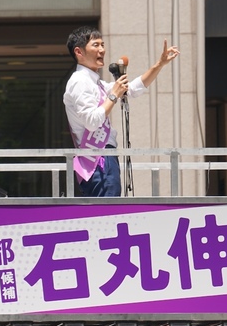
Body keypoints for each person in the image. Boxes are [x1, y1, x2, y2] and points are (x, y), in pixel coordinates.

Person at [63, 26, 180, 197]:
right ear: (79, 52)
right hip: (98, 159)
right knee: (106, 215)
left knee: (107, 214)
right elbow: (92, 121)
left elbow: (132, 88)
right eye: (95, 45)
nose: (102, 50)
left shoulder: (97, 83)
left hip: (102, 157)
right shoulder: (80, 82)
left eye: (102, 45)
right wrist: (113, 96)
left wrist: (159, 64)